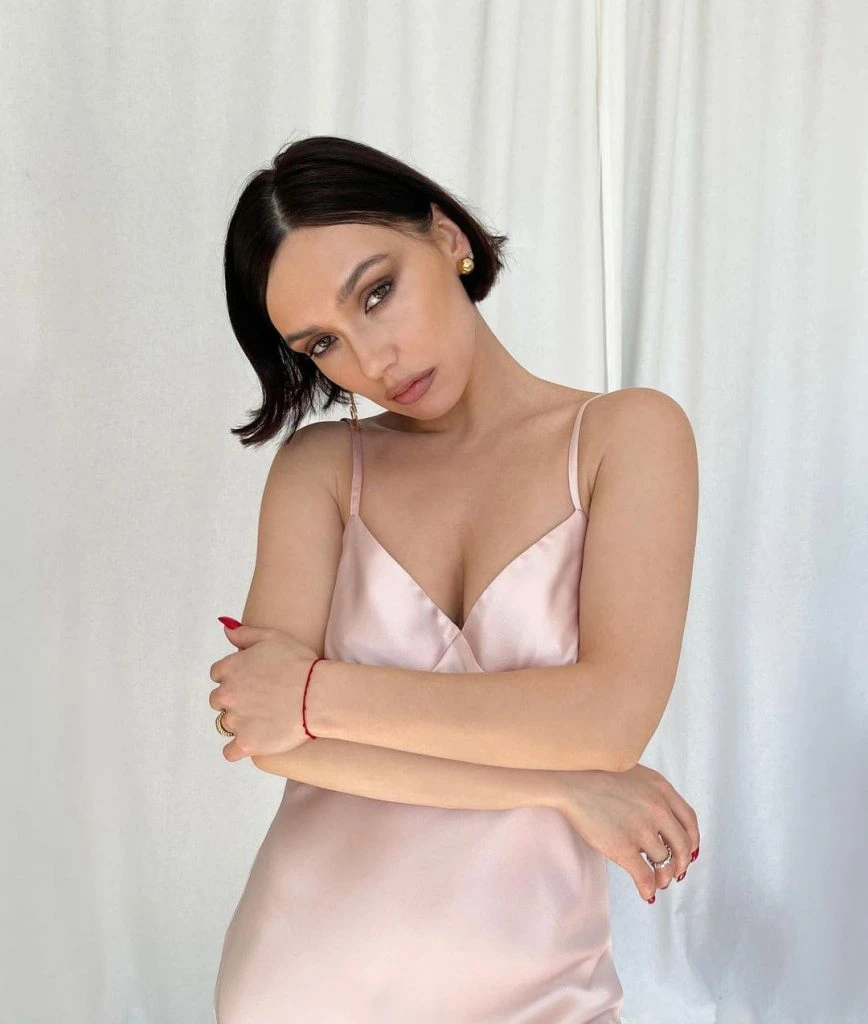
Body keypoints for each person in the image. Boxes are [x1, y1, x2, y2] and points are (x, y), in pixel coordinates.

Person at [209, 135, 700, 1023]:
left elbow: (610, 715)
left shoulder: (627, 437)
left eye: (377, 292)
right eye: (323, 343)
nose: (374, 360)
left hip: (542, 986)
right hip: (308, 979)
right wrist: (559, 785)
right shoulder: (322, 469)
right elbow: (270, 739)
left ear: (447, 237)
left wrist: (311, 692)